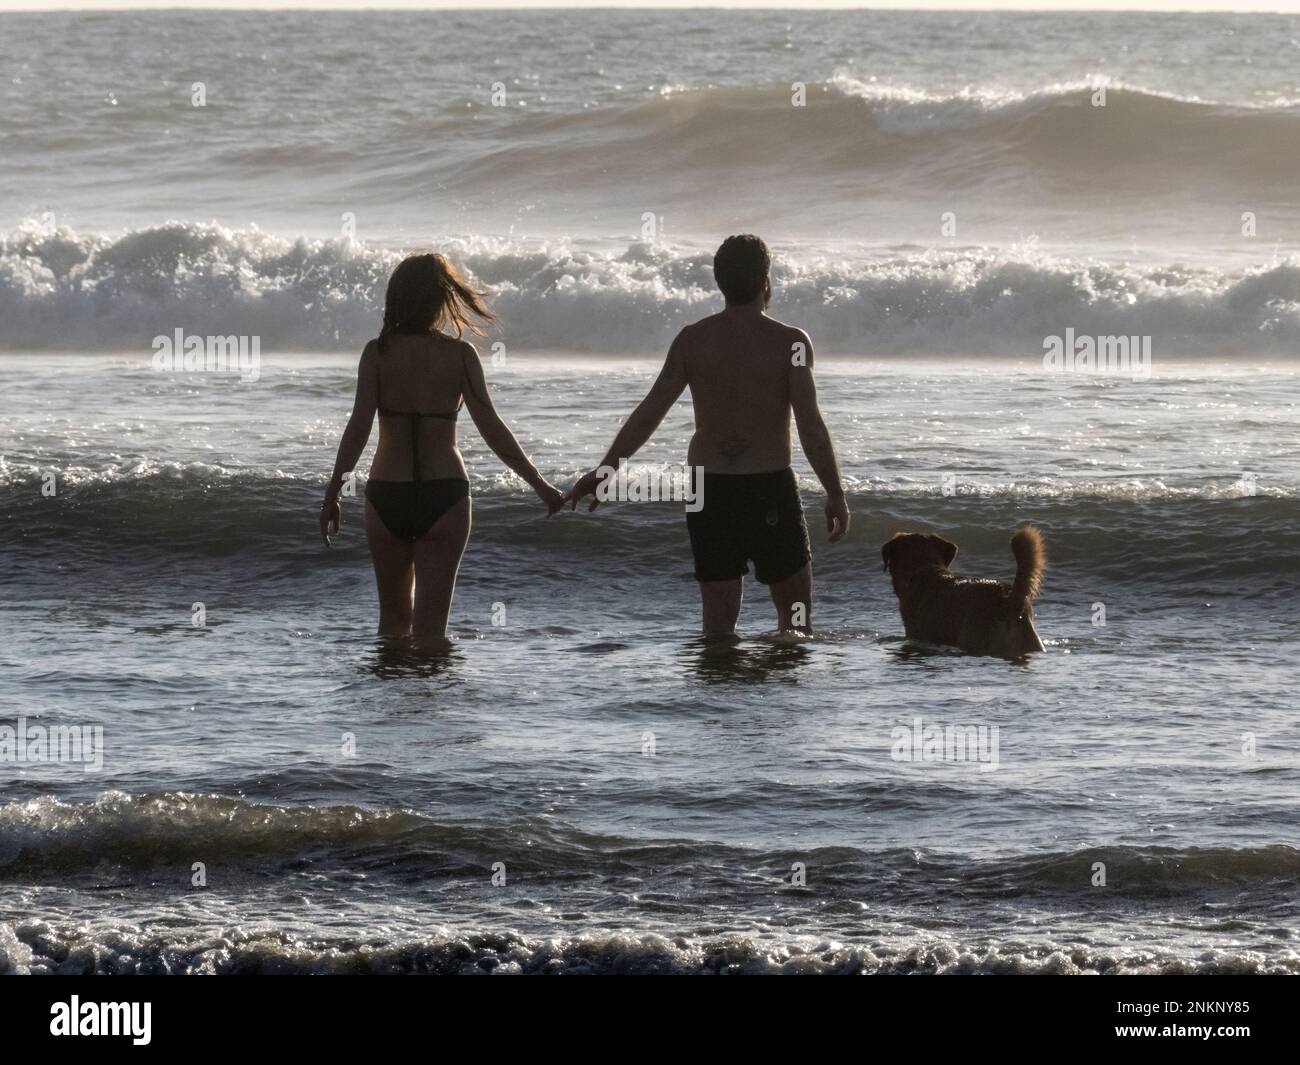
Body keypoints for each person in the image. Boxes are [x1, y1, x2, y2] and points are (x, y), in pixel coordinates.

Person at [566, 234, 849, 635]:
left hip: (709, 491)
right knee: (796, 622)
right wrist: (834, 493)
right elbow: (810, 426)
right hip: (768, 488)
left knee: (717, 626)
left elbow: (649, 413)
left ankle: (716, 694)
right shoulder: (791, 343)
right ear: (766, 280)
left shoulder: (692, 340)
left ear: (720, 283)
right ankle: (785, 696)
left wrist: (606, 469)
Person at [321, 253, 564, 639]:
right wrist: (540, 485)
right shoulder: (459, 355)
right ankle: (432, 699)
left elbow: (358, 428)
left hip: (388, 493)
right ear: (440, 300)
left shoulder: (378, 353)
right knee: (432, 632)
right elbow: (491, 427)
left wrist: (333, 491)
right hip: (445, 494)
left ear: (396, 297)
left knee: (392, 626)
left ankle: (392, 698)